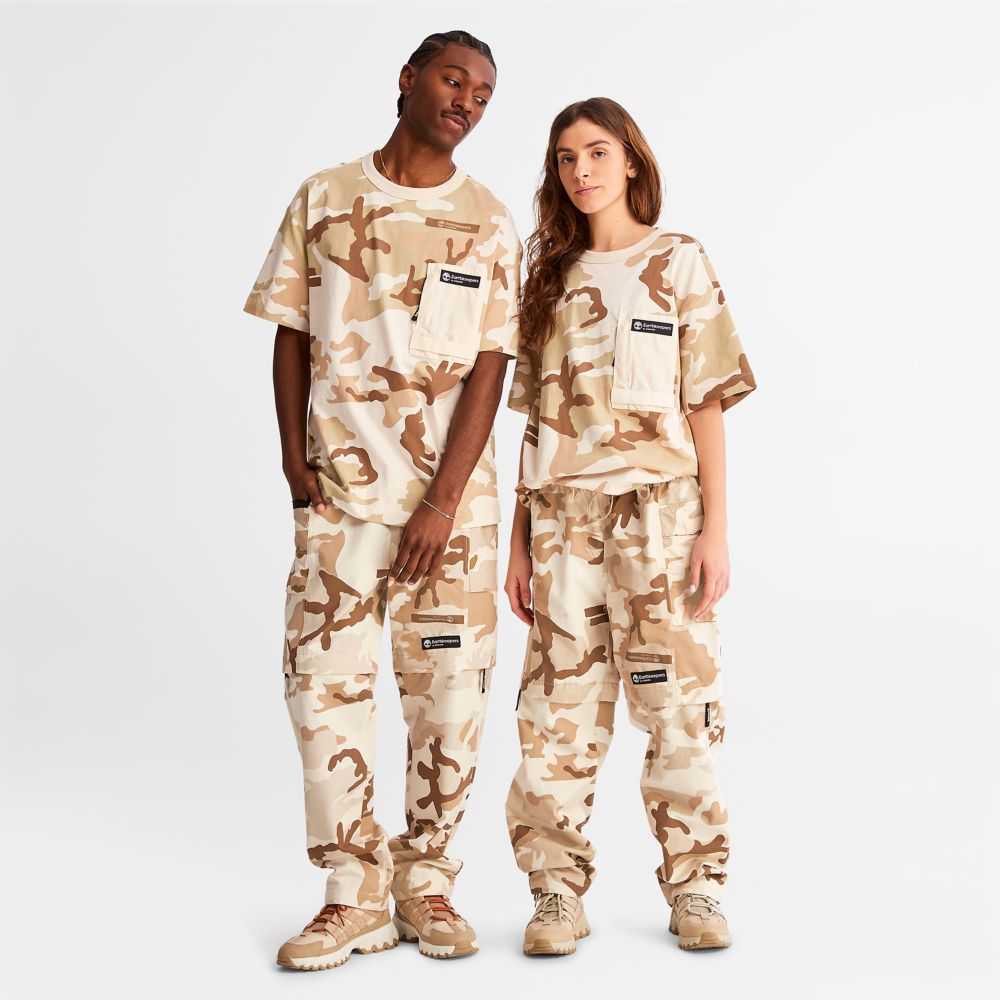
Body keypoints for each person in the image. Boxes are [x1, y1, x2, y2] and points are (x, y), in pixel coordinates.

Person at [243, 30, 521, 970]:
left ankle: (427, 882)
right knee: (323, 693)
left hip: (451, 519)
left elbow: (490, 370)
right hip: (340, 506)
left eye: (483, 93)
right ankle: (351, 895)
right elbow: (290, 328)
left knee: (449, 696)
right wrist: (294, 461)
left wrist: (441, 504)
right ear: (408, 79)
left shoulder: (488, 222)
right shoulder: (325, 197)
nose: (467, 102)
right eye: (454, 80)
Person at [503, 97, 756, 955]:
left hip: (661, 516)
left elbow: (706, 403)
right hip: (561, 521)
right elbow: (533, 423)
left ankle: (696, 886)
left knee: (675, 705)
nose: (581, 171)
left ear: (632, 161)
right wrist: (518, 544)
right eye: (566, 157)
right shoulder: (549, 277)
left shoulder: (678, 261)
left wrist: (715, 530)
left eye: (598, 152)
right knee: (556, 714)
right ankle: (555, 893)